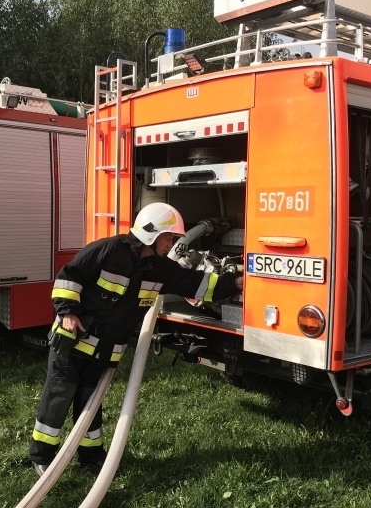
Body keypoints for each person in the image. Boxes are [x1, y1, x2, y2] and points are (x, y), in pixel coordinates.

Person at [29, 202, 243, 476]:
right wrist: (68, 312)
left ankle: (91, 456)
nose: (171, 244)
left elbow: (195, 283)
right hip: (72, 341)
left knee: (91, 403)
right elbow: (68, 278)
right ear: (151, 233)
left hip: (104, 350)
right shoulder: (107, 250)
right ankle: (43, 455)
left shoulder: (160, 269)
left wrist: (232, 284)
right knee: (59, 396)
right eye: (169, 238)